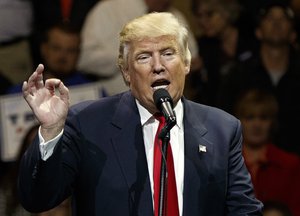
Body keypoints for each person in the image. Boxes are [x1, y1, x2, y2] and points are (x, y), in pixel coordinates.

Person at [18, 12, 263, 215]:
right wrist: (51, 131)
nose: (158, 66)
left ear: (186, 63)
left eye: (168, 53)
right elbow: (37, 199)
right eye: (144, 57)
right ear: (126, 73)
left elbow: (244, 210)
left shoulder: (222, 128)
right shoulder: (87, 123)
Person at [218, 1, 300, 155]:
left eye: (283, 19)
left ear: (293, 35)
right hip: (246, 163)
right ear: (258, 32)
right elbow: (223, 121)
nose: (276, 24)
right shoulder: (239, 73)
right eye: (270, 19)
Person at [76, 0, 201, 96]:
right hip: (113, 104)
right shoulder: (107, 11)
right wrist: (128, 58)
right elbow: (84, 59)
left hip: (166, 106)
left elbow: (192, 58)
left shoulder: (175, 16)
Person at [234, 89, 300, 216]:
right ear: (239, 121)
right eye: (250, 117)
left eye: (263, 118)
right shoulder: (226, 165)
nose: (257, 124)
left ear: (272, 123)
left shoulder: (291, 165)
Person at [188, 0, 256, 105]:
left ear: (226, 12)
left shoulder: (250, 40)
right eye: (199, 16)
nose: (202, 21)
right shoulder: (201, 47)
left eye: (209, 14)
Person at [7, 22, 94, 94]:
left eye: (71, 50)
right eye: (56, 48)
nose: (62, 56)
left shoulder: (93, 91)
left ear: (78, 54)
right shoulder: (20, 92)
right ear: (44, 49)